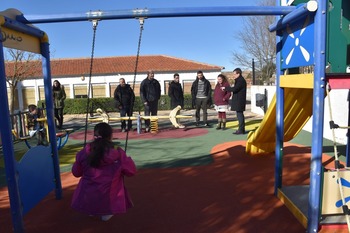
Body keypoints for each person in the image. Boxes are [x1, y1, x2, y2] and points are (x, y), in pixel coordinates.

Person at [71, 122, 137, 221]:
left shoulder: (83, 153)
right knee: (115, 181)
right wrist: (126, 160)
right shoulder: (118, 153)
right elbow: (131, 172)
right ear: (110, 136)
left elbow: (76, 173)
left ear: (94, 136)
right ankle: (105, 213)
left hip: (87, 199)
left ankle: (92, 210)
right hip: (109, 202)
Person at [222, 68, 247, 134]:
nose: (233, 75)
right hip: (238, 99)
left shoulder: (240, 81)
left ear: (238, 74)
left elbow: (235, 89)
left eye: (234, 74)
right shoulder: (239, 80)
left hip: (239, 100)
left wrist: (226, 88)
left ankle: (241, 130)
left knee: (240, 115)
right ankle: (241, 129)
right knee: (239, 114)